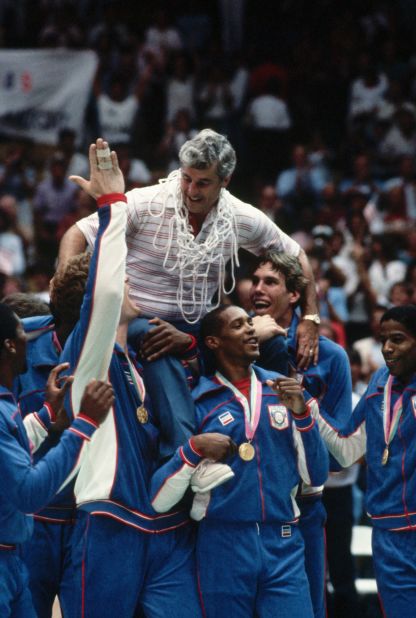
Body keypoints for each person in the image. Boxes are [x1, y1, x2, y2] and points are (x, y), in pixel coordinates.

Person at [58, 129, 320, 460]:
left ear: (225, 180)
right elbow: (76, 234)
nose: (191, 190)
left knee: (273, 343)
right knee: (155, 339)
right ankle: (184, 452)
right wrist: (66, 293)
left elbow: (297, 255)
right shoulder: (148, 201)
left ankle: (278, 436)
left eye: (203, 183)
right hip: (139, 320)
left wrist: (311, 316)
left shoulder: (239, 216)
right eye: (187, 179)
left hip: (199, 326)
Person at [56, 138, 202, 617]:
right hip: (110, 523)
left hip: (163, 529)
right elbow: (102, 292)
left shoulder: (137, 359)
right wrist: (113, 205)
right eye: (126, 281)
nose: (134, 285)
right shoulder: (90, 356)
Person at [150, 304, 329, 618]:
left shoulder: (284, 390)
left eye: (250, 323)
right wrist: (192, 449)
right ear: (213, 342)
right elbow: (158, 499)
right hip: (222, 543)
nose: (249, 329)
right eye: (238, 325)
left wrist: (302, 416)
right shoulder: (197, 402)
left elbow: (316, 474)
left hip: (283, 541)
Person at [249, 251, 352, 618]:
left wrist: (299, 400)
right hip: (239, 507)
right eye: (255, 280)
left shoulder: (330, 357)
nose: (257, 289)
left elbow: (339, 457)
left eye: (270, 282)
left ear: (295, 295)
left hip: (302, 507)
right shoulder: (230, 339)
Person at [0, 301, 113, 617]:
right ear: (10, 346)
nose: (29, 340)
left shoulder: (5, 405)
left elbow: (11, 446)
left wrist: (48, 413)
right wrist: (84, 425)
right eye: (23, 332)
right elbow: (28, 493)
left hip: (12, 558)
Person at [314, 304, 416, 618]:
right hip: (388, 530)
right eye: (383, 339)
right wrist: (308, 410)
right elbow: (345, 450)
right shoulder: (378, 384)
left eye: (398, 339)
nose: (387, 348)